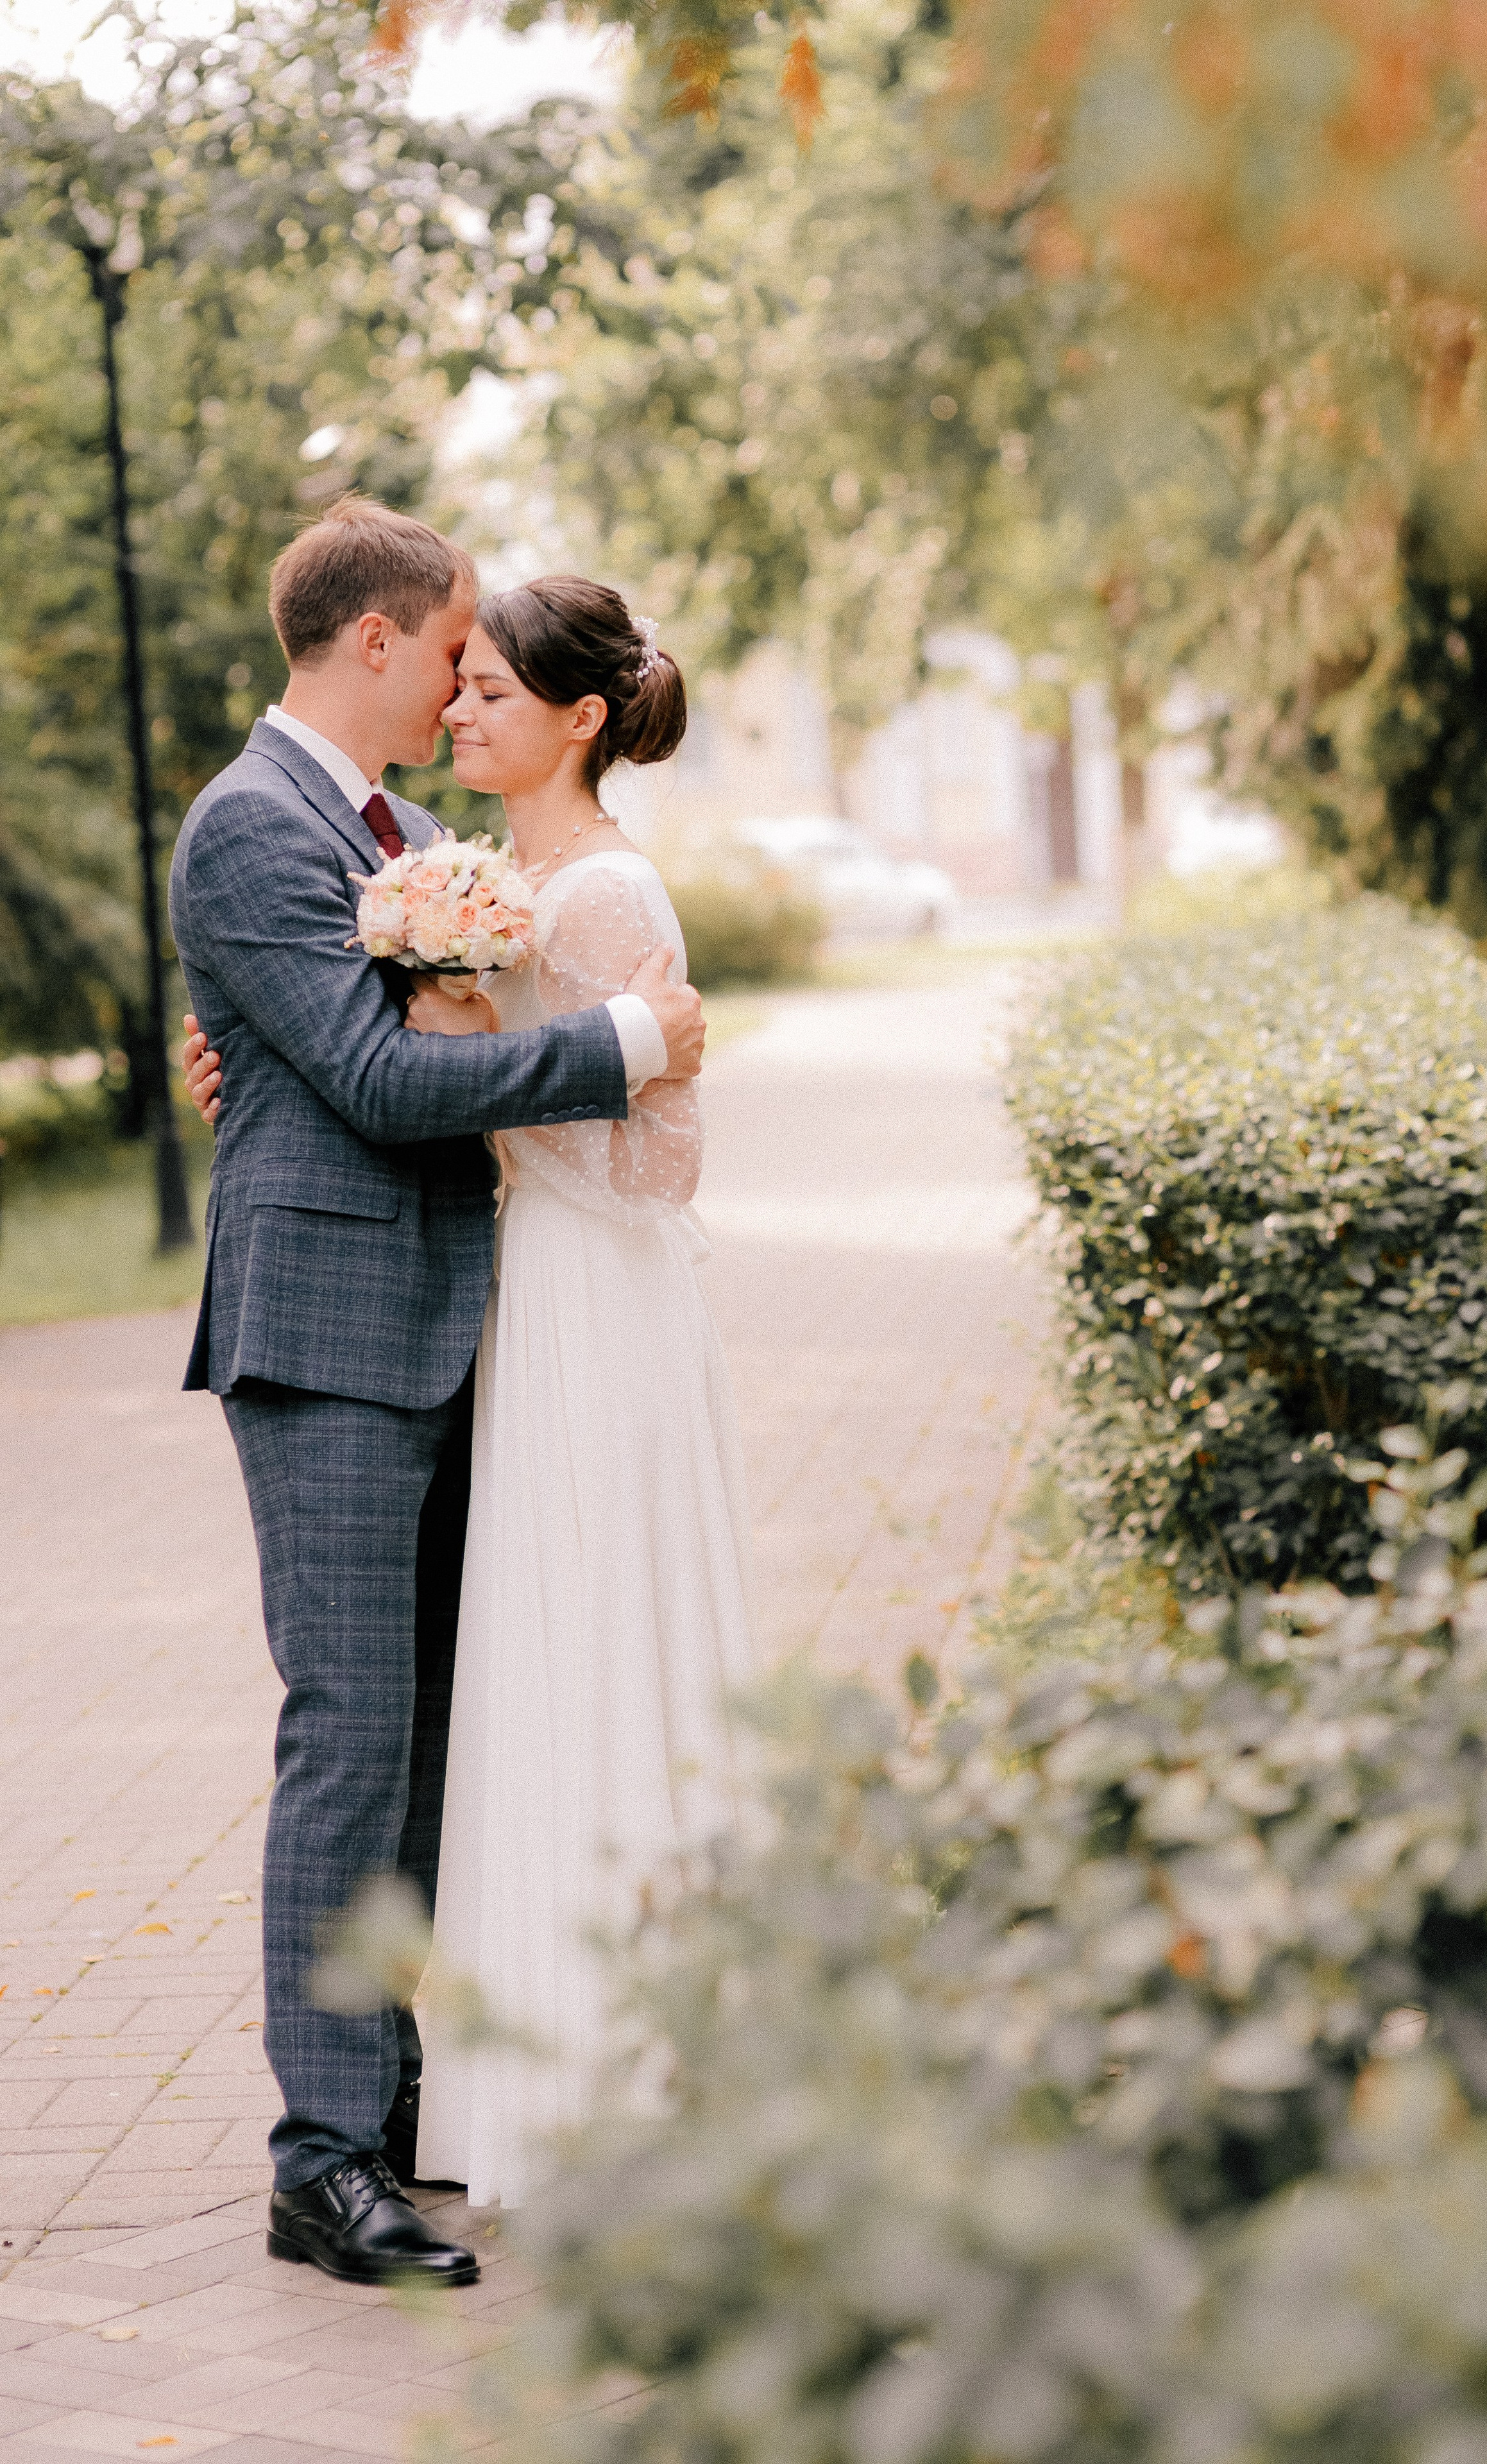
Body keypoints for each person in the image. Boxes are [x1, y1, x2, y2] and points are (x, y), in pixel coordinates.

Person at [168, 498, 704, 2291]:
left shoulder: (383, 827)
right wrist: (625, 1046)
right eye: (451, 646)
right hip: (326, 1336)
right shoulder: (255, 823)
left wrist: (256, 1055)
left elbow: (350, 1036)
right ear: (377, 640)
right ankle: (320, 2164)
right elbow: (383, 1081)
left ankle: (393, 2096)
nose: (464, 681)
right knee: (349, 1743)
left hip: (447, 1322)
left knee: (414, 1753)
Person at [394, 579, 752, 2205]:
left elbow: (663, 1165)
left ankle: (637, 2065)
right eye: (453, 687)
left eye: (484, 692)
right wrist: (464, 1035)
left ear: (579, 716)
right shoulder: (485, 879)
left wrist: (486, 1070)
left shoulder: (606, 895)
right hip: (524, 1288)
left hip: (599, 1295)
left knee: (602, 1623)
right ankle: (532, 2057)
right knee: (529, 1641)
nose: (456, 712)